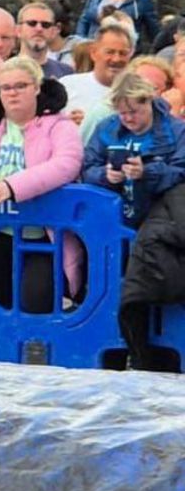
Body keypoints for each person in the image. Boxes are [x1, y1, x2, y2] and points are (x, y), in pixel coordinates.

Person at [0, 56, 83, 312]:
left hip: (43, 235)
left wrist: (11, 188)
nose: (12, 93)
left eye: (21, 86)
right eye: (6, 87)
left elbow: (67, 163)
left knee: (34, 302)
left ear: (37, 87)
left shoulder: (60, 125)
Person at [80, 71, 185, 370]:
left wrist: (148, 173)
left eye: (134, 111)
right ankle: (125, 350)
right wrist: (105, 176)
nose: (128, 118)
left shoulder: (175, 131)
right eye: (122, 112)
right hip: (115, 223)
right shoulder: (106, 128)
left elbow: (182, 171)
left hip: (159, 217)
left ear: (149, 102)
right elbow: (86, 167)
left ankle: (152, 353)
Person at [60, 23, 134, 127]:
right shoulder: (67, 85)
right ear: (94, 53)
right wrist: (66, 123)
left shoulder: (137, 92)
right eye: (110, 52)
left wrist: (91, 122)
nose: (116, 59)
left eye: (123, 53)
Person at [18, 2, 73, 80]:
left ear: (54, 31)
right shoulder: (4, 71)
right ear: (18, 30)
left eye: (45, 25)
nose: (39, 29)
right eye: (32, 23)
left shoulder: (66, 73)